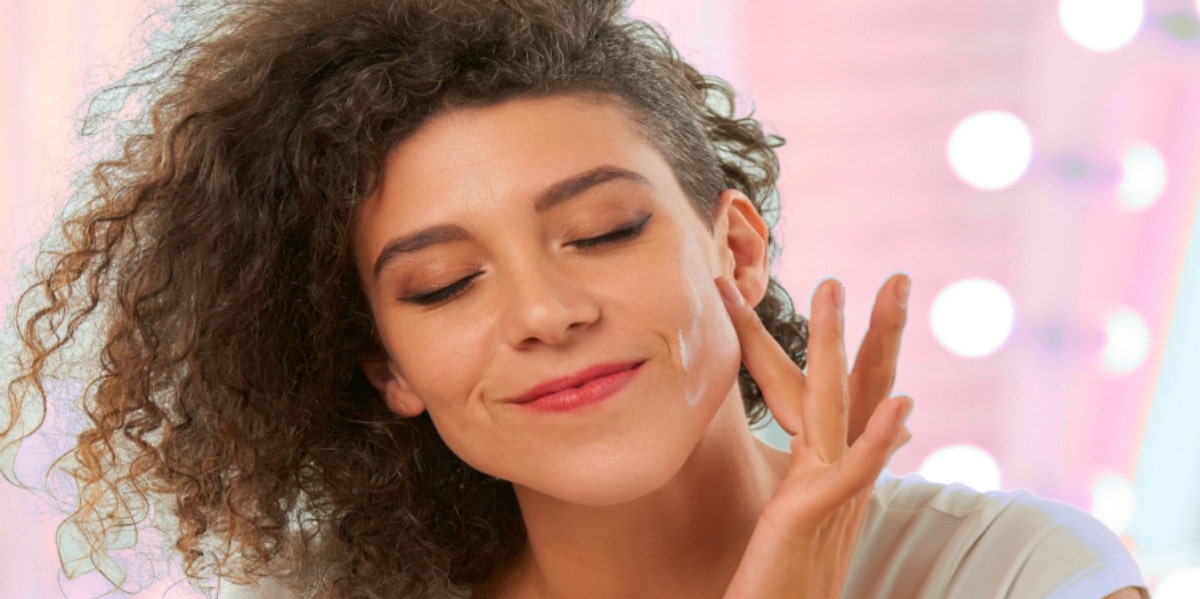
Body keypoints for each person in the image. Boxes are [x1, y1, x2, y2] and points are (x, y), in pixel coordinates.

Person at [0, 0, 1148, 597]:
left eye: (601, 230)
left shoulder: (1028, 575)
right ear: (389, 366)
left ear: (735, 249)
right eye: (443, 283)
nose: (545, 311)